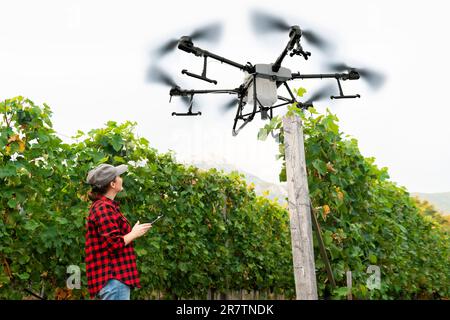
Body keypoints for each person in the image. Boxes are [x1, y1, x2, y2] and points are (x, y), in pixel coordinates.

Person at [84, 163, 152, 300]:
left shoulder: (105, 206)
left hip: (113, 280)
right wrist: (134, 234)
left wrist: (133, 232)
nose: (121, 178)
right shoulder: (103, 208)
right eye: (119, 176)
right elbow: (113, 244)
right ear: (112, 184)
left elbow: (111, 238)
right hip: (113, 279)